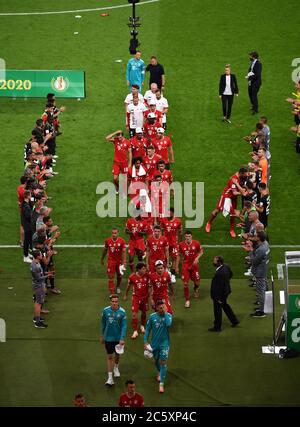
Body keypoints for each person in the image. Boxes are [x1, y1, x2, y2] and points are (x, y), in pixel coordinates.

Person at [205, 167, 248, 238]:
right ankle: (209, 223)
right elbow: (234, 192)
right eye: (245, 174)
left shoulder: (241, 176)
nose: (246, 176)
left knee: (232, 214)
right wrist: (243, 193)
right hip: (226, 196)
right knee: (217, 210)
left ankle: (231, 230)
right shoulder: (233, 180)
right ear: (241, 173)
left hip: (233, 198)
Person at [144, 299, 172, 394]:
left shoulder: (168, 316)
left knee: (163, 362)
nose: (162, 308)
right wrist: (145, 342)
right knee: (156, 361)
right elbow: (147, 330)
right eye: (160, 307)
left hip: (165, 344)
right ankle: (161, 371)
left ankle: (161, 384)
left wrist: (165, 312)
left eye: (163, 306)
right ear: (156, 308)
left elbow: (168, 324)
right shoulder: (152, 317)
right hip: (154, 344)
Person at [100, 294, 127, 386]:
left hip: (118, 338)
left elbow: (124, 326)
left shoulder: (122, 312)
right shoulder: (105, 311)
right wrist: (102, 335)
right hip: (108, 338)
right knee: (109, 357)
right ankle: (110, 378)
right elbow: (103, 323)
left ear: (118, 302)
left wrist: (122, 338)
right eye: (113, 301)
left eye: (116, 301)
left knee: (117, 354)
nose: (114, 303)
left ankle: (116, 367)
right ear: (110, 302)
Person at [208, 256, 239, 332]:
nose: (213, 262)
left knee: (217, 310)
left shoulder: (220, 273)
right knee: (225, 306)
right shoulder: (226, 267)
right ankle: (234, 321)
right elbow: (231, 275)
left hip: (219, 295)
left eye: (215, 261)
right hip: (225, 292)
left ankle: (217, 327)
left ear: (219, 262)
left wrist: (220, 298)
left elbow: (221, 286)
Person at [178, 230, 204, 308]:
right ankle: (187, 300)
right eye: (186, 236)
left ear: (191, 236)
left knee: (197, 282)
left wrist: (197, 258)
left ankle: (195, 289)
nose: (188, 238)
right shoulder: (181, 244)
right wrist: (177, 265)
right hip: (185, 266)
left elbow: (201, 251)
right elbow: (179, 254)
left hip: (194, 266)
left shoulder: (196, 243)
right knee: (185, 283)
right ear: (184, 237)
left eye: (189, 236)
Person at [124, 262, 150, 339]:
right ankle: (135, 331)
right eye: (143, 269)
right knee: (134, 314)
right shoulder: (132, 277)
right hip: (136, 297)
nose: (145, 270)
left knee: (144, 312)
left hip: (145, 297)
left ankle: (142, 326)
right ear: (138, 270)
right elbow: (128, 286)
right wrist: (125, 295)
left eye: (145, 268)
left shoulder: (147, 275)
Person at [31, 250, 53, 328]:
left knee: (38, 303)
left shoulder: (36, 262)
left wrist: (47, 273)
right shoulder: (35, 266)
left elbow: (40, 274)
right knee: (38, 303)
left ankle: (37, 317)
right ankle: (37, 322)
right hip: (39, 286)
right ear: (37, 256)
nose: (42, 255)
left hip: (39, 285)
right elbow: (39, 278)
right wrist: (48, 276)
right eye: (40, 254)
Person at [249, 231, 270, 317]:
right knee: (262, 289)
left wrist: (250, 251)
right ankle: (262, 307)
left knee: (261, 292)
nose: (255, 237)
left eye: (256, 236)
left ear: (259, 238)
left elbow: (254, 261)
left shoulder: (261, 250)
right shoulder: (266, 243)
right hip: (263, 269)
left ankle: (261, 311)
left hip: (260, 272)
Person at [101, 228, 127, 294]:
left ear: (118, 233)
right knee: (110, 277)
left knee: (119, 275)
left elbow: (124, 251)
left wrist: (124, 262)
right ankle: (112, 293)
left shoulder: (122, 241)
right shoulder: (107, 241)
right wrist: (102, 258)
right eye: (113, 233)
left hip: (119, 261)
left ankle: (118, 287)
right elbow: (105, 250)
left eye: (115, 233)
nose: (114, 234)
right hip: (111, 261)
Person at [21, 190, 33, 263]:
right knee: (27, 241)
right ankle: (25, 256)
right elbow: (28, 216)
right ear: (28, 196)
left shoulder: (26, 203)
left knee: (28, 240)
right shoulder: (26, 206)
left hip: (27, 224)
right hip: (27, 225)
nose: (31, 196)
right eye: (30, 195)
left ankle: (27, 254)